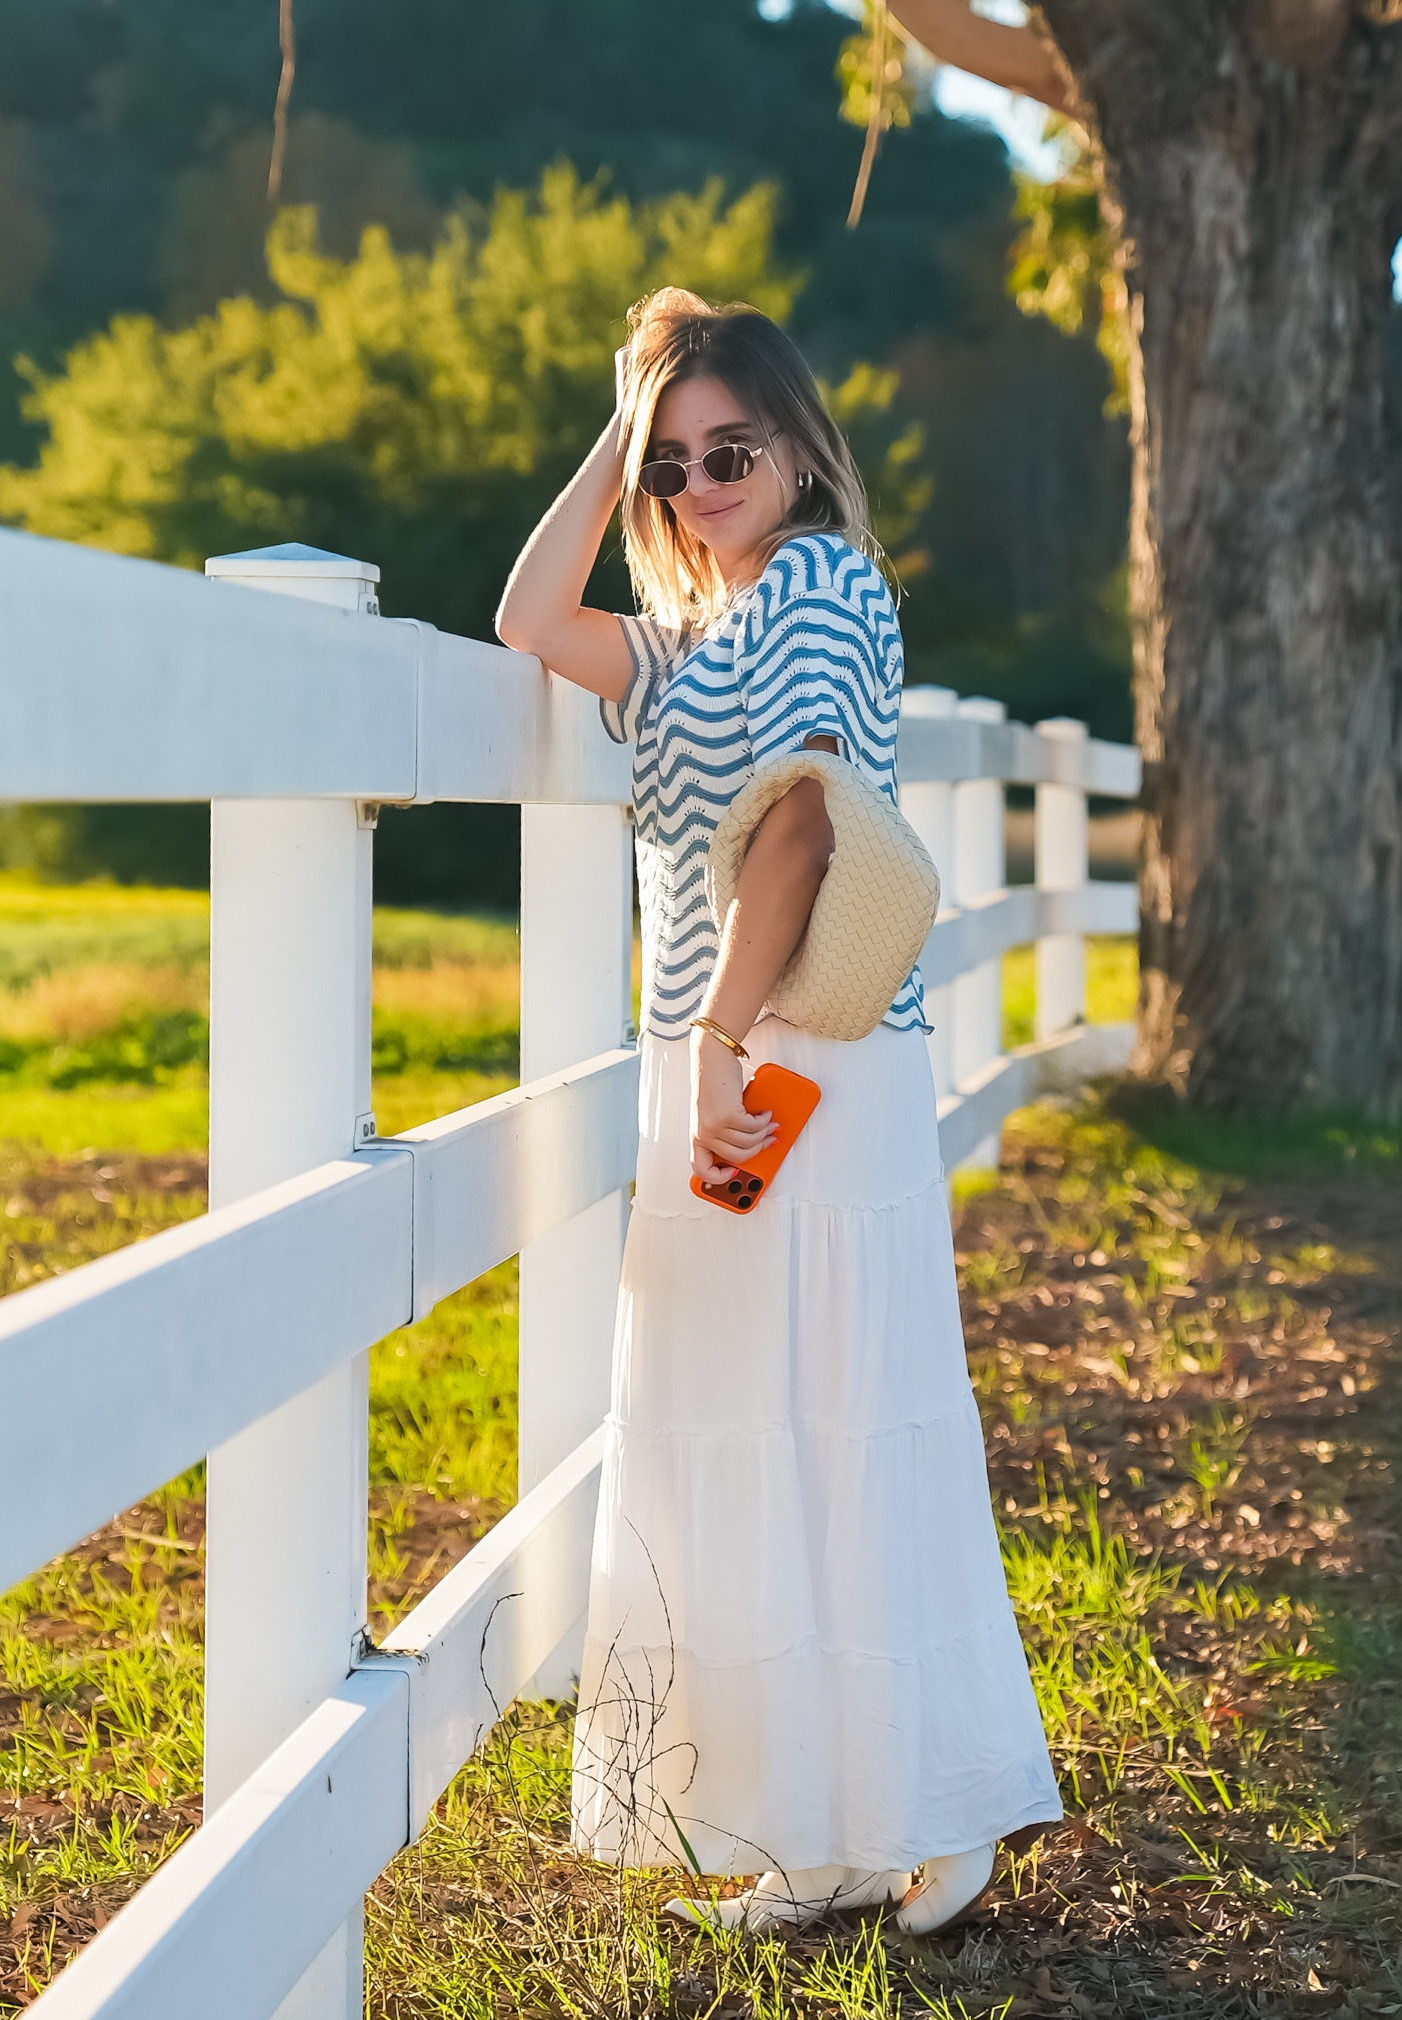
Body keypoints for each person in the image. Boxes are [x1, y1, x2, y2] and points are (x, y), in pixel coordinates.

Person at [496, 289, 1061, 1934]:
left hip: (801, 1053)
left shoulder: (818, 584)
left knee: (844, 1424)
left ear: (802, 453)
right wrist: (623, 428)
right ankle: (803, 1833)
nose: (701, 481)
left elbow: (807, 826)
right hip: (732, 1060)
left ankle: (934, 1810)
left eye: (728, 448)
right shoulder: (687, 642)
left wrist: (730, 1045)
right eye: (676, 465)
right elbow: (533, 614)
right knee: (751, 1435)